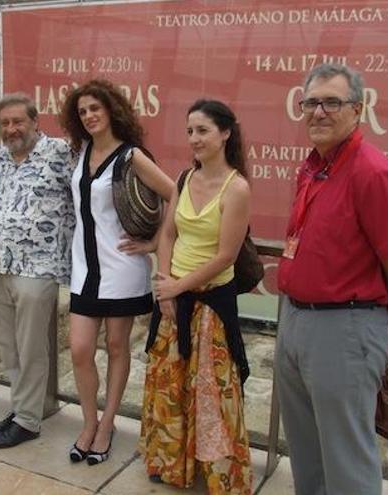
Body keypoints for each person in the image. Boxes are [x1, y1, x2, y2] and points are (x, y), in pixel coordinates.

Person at [276, 63, 388, 495]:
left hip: (346, 327)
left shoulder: (372, 173)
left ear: (358, 109)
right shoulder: (315, 167)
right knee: (306, 449)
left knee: (346, 456)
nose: (318, 112)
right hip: (297, 319)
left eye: (332, 102)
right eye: (311, 103)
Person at [140, 99, 253, 493]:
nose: (194, 139)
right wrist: (164, 283)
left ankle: (220, 473)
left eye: (202, 130)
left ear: (225, 133)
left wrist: (177, 287)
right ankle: (172, 463)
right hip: (174, 296)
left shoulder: (236, 188)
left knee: (211, 390)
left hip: (210, 306)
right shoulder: (185, 178)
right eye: (190, 131)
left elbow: (226, 255)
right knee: (171, 384)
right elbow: (168, 234)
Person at [59, 79, 174, 465]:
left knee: (116, 346)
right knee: (79, 349)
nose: (89, 115)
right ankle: (88, 421)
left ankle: (107, 424)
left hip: (121, 266)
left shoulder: (131, 155)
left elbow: (175, 192)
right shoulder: (83, 150)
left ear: (111, 110)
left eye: (95, 108)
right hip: (84, 267)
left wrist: (156, 242)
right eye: (82, 111)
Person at [0, 93, 75, 448]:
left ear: (36, 122)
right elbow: (1, 197)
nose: (11, 129)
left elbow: (91, 193)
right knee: (8, 346)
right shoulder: (2, 156)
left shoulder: (61, 152)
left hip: (39, 266)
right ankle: (22, 407)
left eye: (18, 121)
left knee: (31, 346)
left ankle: (30, 420)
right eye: (5, 123)